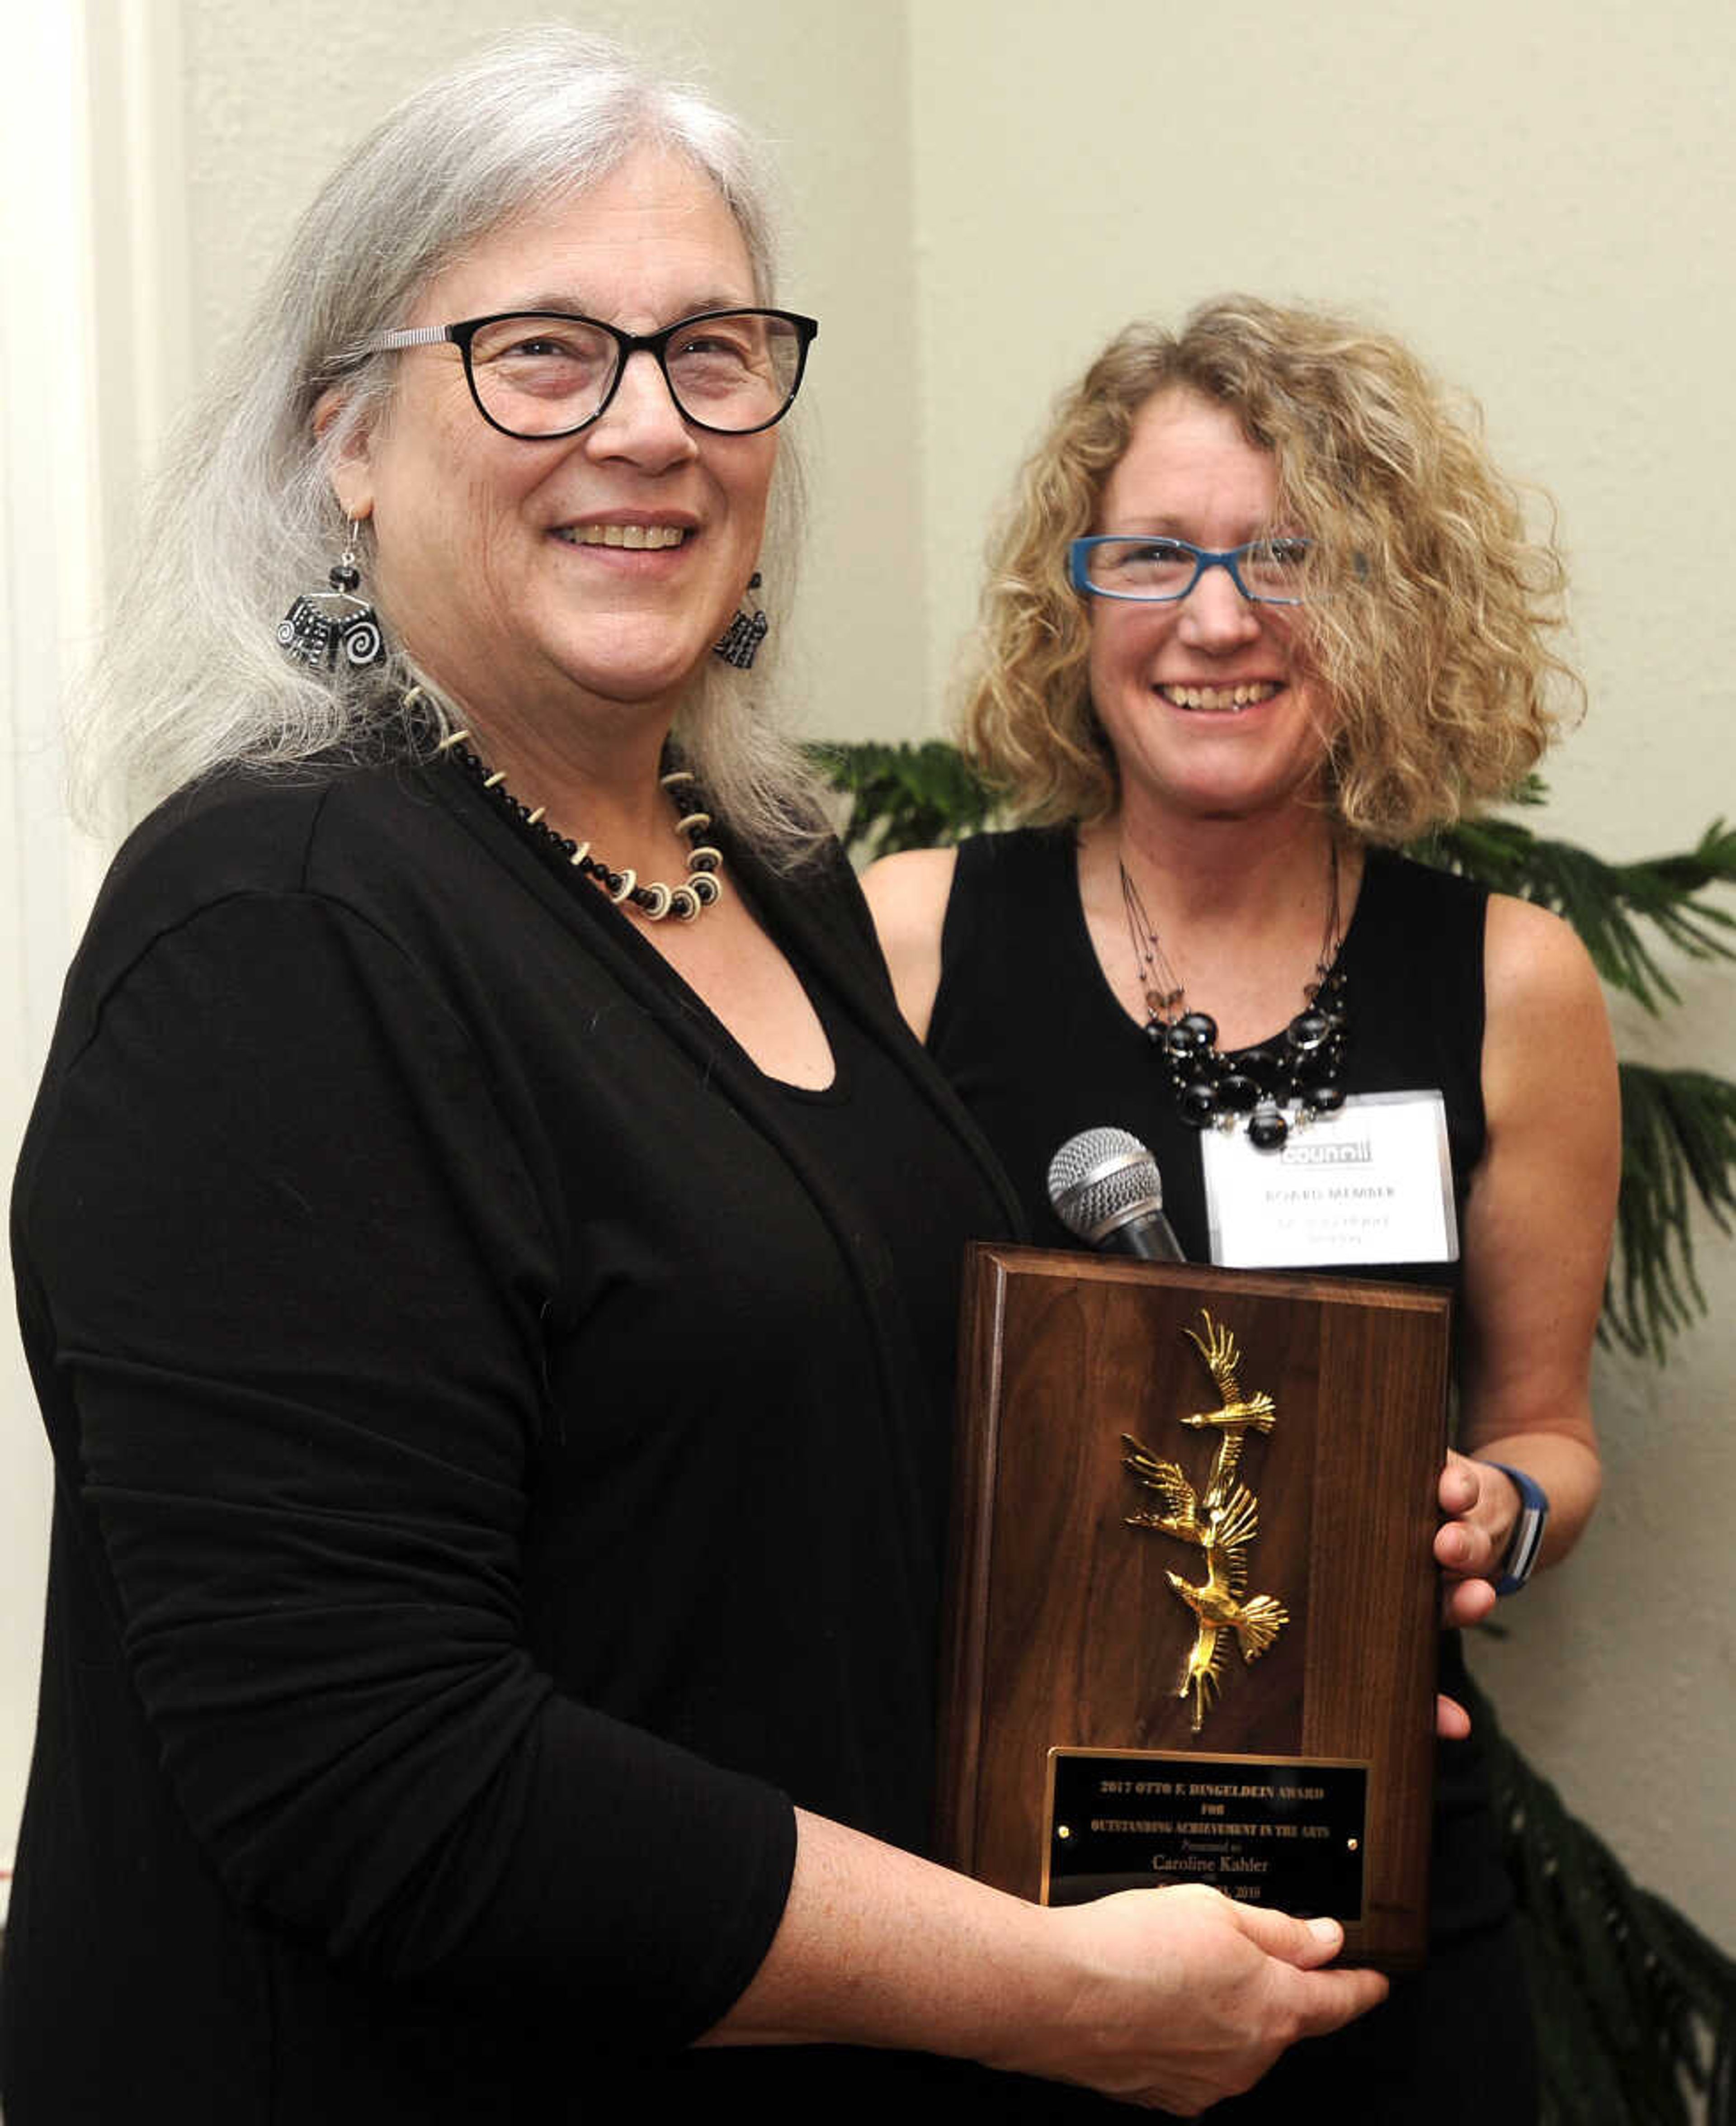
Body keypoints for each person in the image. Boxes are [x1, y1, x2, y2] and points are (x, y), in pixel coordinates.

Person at [1, 43, 1387, 2124]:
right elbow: (384, 1778)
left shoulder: (777, 872)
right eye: (542, 352)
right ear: (348, 444)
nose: (649, 427)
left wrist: (1297, 1588)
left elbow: (800, 1494)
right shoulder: (276, 927)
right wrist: (1040, 1992)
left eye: (714, 353)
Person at [865, 297, 1618, 2121]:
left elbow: (1546, 1439)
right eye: (1154, 557)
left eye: (1288, 559)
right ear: (1078, 602)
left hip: (1373, 1899)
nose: (1216, 619)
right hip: (996, 1915)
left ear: (1388, 604)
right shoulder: (903, 940)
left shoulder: (1516, 984)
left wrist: (1494, 1523)